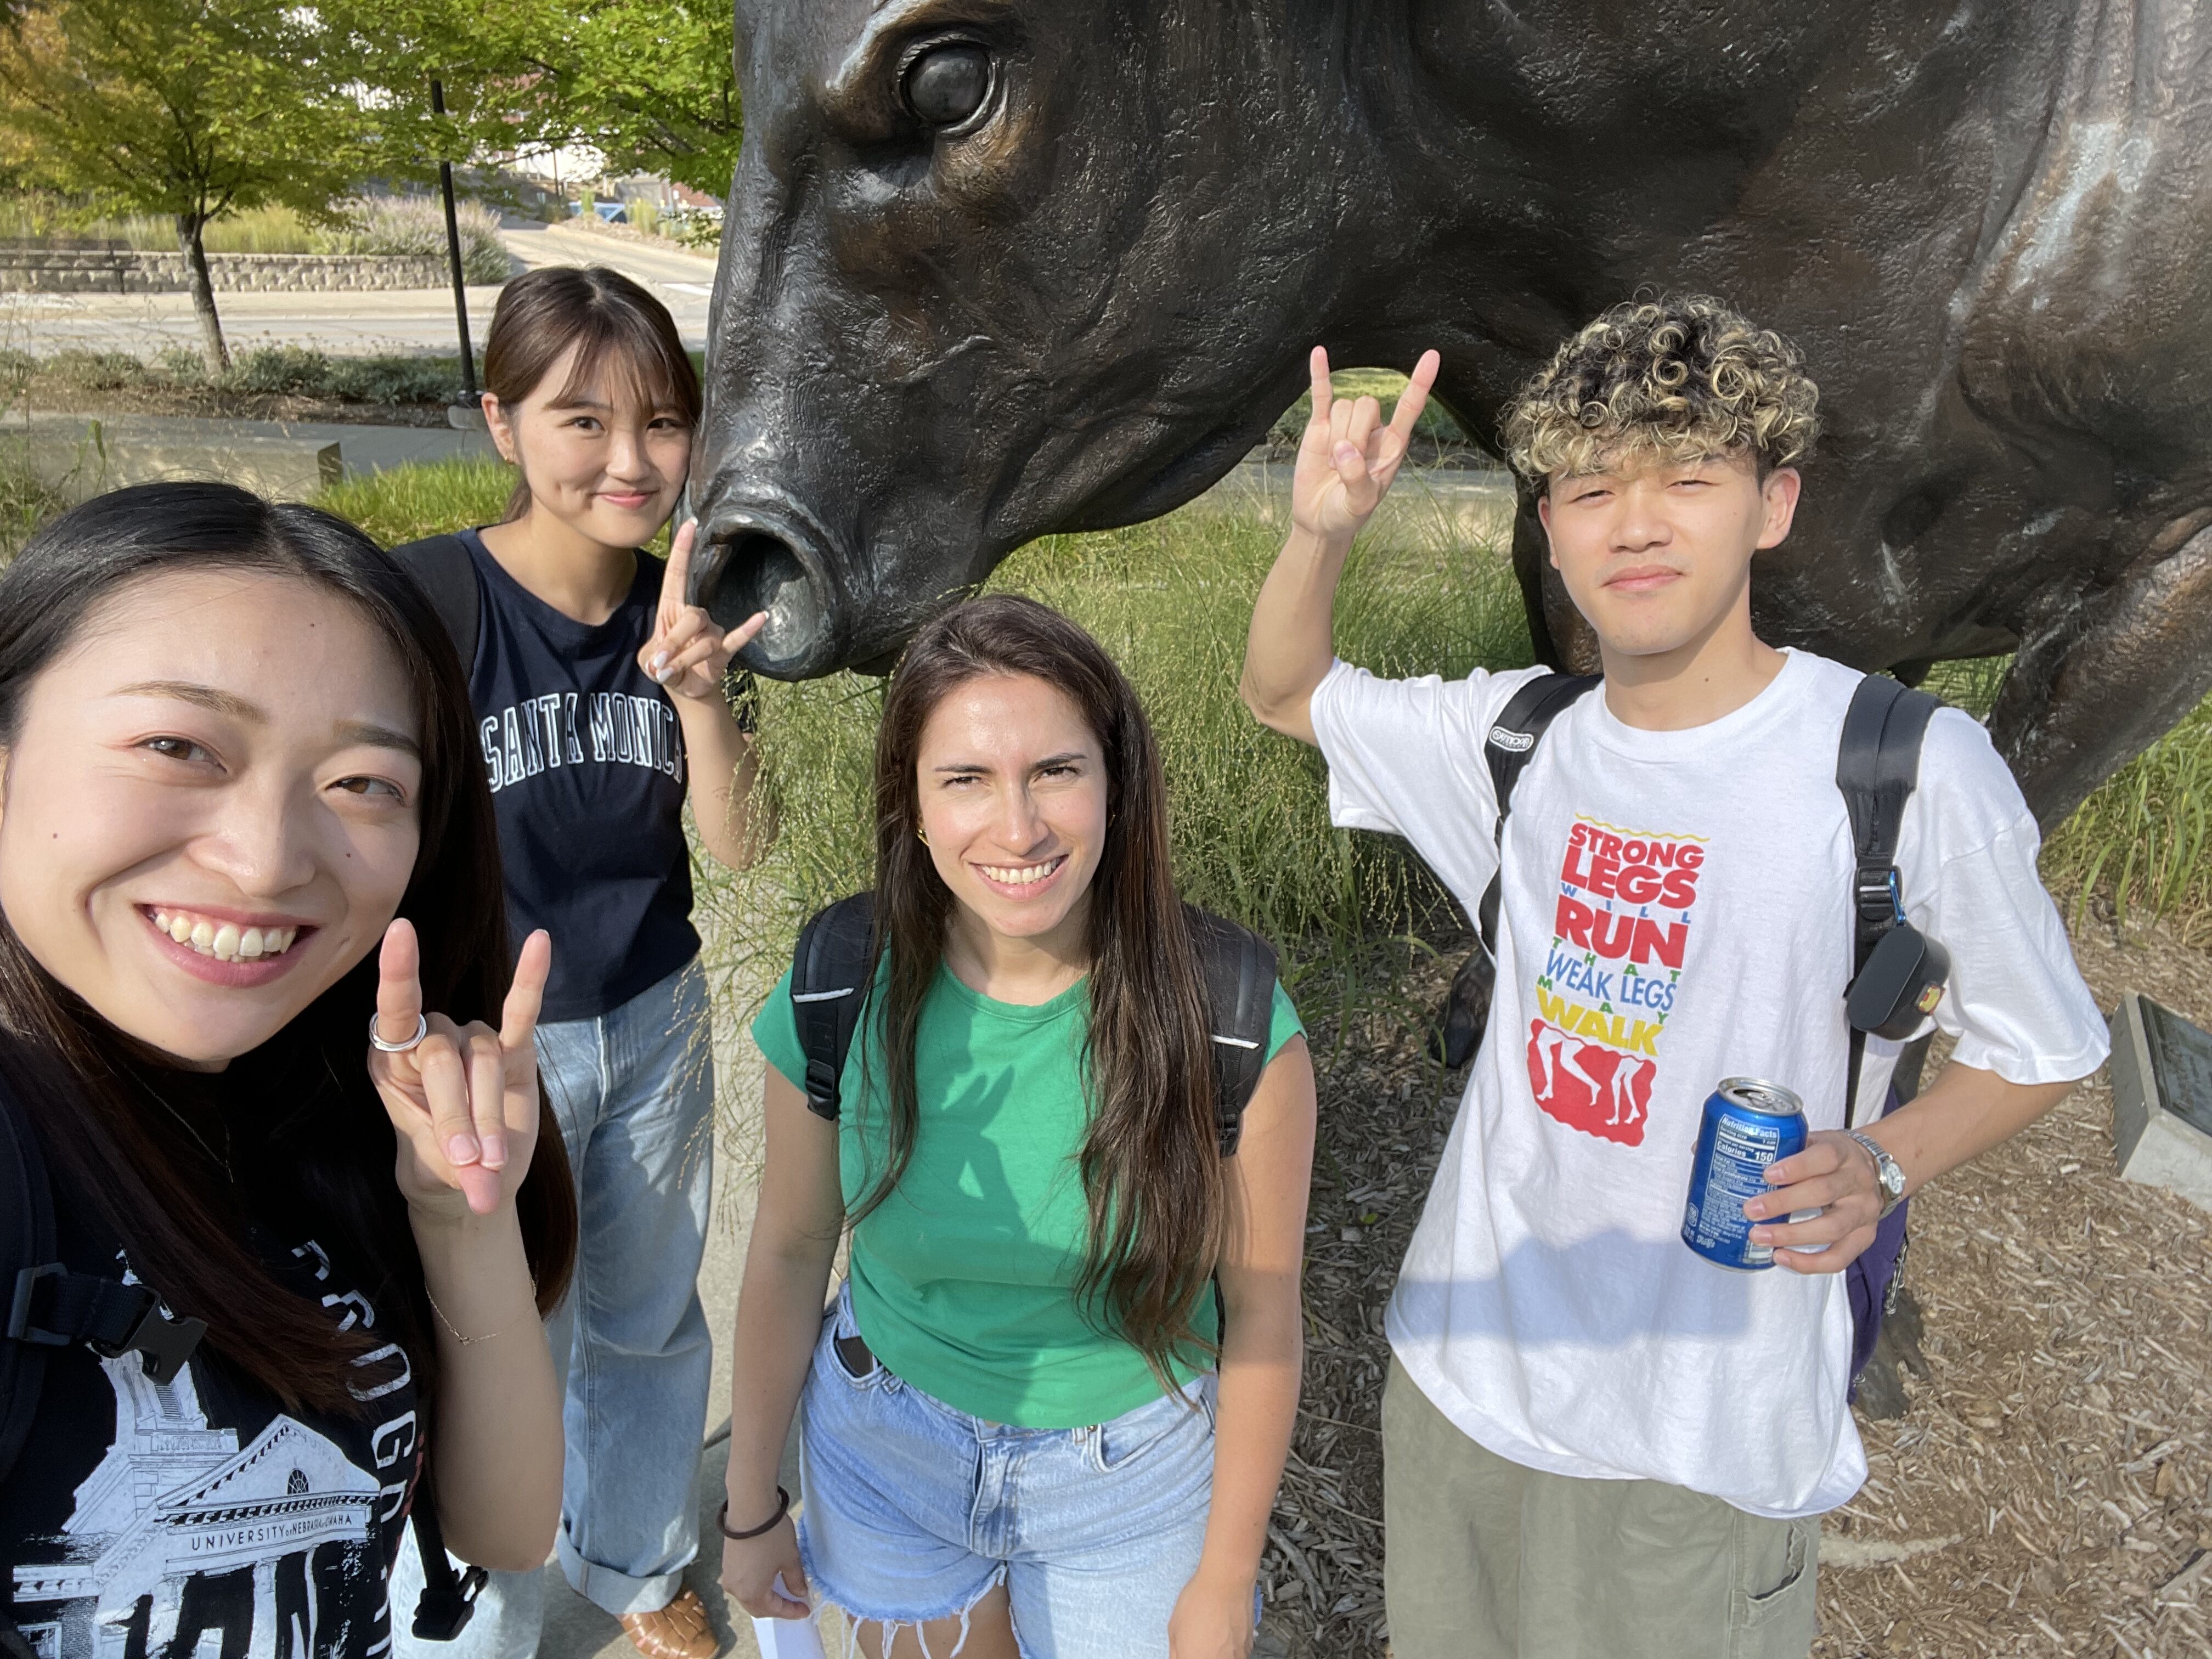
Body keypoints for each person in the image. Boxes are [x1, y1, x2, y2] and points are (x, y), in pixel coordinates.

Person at [1239, 297, 2110, 1659]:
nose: (1633, 526)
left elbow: (2047, 1042)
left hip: (1703, 1429)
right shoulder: (1516, 741)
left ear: (1774, 505)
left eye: (1687, 479)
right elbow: (1289, 693)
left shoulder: (1903, 767)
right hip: (1465, 1387)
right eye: (1589, 491)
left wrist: (1885, 1161)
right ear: (1550, 529)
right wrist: (1320, 531)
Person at [0, 482, 578, 1657]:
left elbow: (505, 1531)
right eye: (178, 746)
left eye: (364, 783)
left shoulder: (324, 1105)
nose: (266, 862)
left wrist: (459, 1216)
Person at [719, 595, 1317, 1659]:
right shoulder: (839, 982)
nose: (1018, 826)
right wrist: (752, 1501)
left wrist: (1226, 1577)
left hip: (1132, 1483)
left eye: (1056, 771)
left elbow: (1262, 1312)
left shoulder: (1225, 1015)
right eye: (966, 779)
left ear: (1116, 780)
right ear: (909, 801)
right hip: (884, 1449)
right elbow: (791, 1247)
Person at [386, 264, 771, 1659]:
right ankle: (476, 1618)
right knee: (502, 1341)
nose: (631, 460)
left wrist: (704, 699)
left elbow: (734, 851)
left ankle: (635, 1564)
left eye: (663, 423)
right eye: (582, 419)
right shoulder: (430, 604)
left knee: (650, 1320)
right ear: (501, 423)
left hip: (655, 1014)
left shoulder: (690, 610)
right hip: (492, 1048)